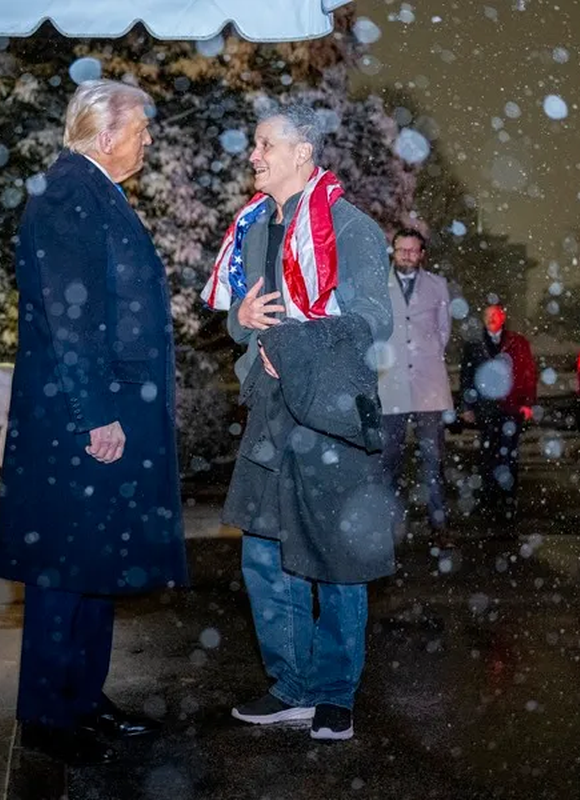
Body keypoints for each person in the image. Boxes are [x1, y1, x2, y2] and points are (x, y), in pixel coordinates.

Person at [0, 79, 188, 766]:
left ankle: (81, 698)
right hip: (80, 417)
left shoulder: (92, 189)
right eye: (140, 129)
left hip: (98, 408)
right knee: (65, 567)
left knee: (94, 561)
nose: (148, 139)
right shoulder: (68, 192)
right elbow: (71, 315)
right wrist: (96, 414)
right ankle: (48, 715)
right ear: (105, 136)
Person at [201, 102, 396, 742]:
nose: (253, 155)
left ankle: (334, 693)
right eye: (255, 144)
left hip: (330, 415)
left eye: (265, 145)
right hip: (269, 408)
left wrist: (297, 346)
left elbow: (374, 322)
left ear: (302, 153)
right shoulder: (256, 227)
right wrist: (243, 320)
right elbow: (241, 314)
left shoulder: (351, 228)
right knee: (265, 552)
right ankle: (292, 686)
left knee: (335, 555)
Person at [376, 228, 454, 546]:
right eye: (402, 250)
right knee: (388, 461)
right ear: (393, 251)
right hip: (390, 386)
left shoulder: (437, 286)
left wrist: (424, 356)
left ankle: (439, 525)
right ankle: (388, 526)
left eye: (413, 250)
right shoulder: (378, 286)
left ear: (422, 254)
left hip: (429, 386)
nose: (407, 255)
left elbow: (443, 332)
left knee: (433, 461)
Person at [458, 304, 537, 525]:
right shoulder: (475, 345)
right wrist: (467, 406)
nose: (491, 318)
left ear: (503, 317)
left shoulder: (517, 343)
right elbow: (467, 376)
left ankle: (507, 498)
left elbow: (528, 373)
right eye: (487, 315)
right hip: (486, 408)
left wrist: (527, 403)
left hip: (511, 407)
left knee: (508, 454)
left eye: (495, 314)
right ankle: (489, 498)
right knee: (488, 454)